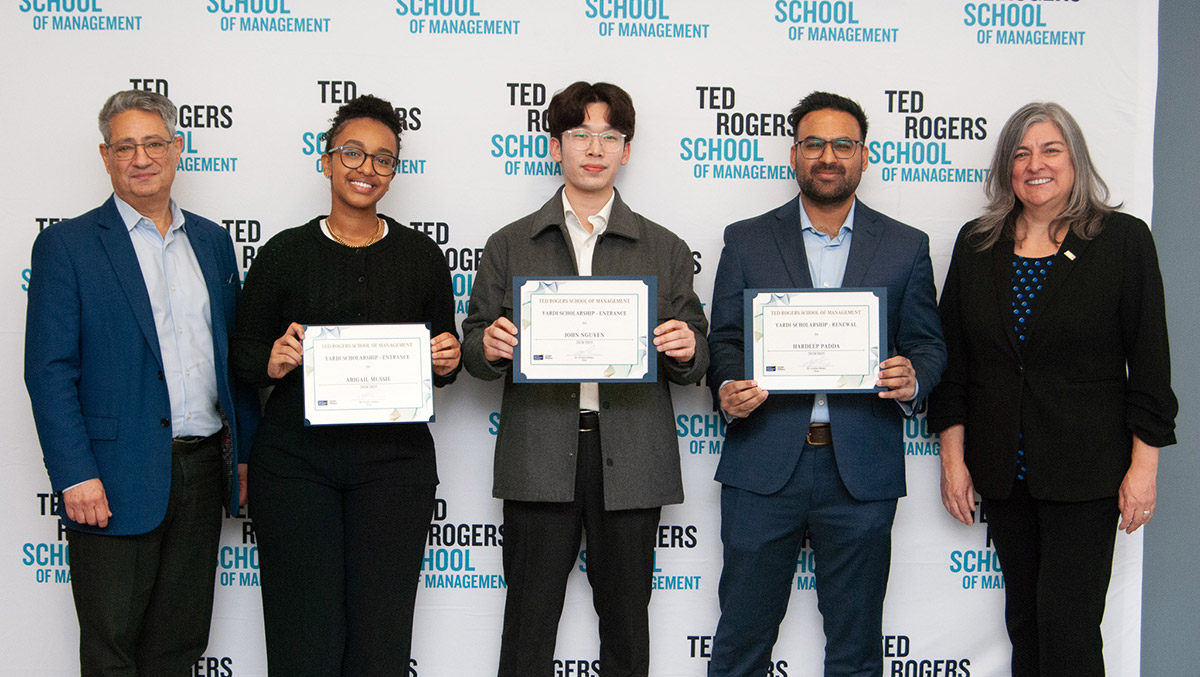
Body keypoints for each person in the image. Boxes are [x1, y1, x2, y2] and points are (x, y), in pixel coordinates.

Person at [461, 81, 709, 677]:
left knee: (626, 625)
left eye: (609, 137)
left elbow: (699, 357)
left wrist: (686, 347)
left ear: (627, 150)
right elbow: (471, 345)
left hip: (633, 454)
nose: (594, 149)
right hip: (538, 453)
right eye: (579, 135)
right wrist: (488, 346)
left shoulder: (666, 247)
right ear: (556, 146)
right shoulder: (509, 243)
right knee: (528, 624)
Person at [928, 102, 1177, 676]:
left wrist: (1144, 469)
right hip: (1003, 471)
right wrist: (953, 461)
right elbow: (955, 363)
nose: (1034, 164)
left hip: (1087, 472)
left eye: (1050, 150)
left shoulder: (1121, 240)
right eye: (1020, 153)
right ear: (1006, 168)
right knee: (1025, 625)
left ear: (1075, 160)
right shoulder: (978, 243)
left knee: (1069, 630)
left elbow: (1150, 363)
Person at [705, 91, 946, 677]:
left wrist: (914, 376)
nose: (828, 156)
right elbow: (725, 340)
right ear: (794, 155)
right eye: (814, 143)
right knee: (740, 644)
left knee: (856, 649)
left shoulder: (906, 245)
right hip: (763, 467)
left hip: (860, 471)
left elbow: (928, 344)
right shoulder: (746, 239)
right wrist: (727, 385)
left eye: (843, 144)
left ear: (864, 155)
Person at [23, 90, 257, 675]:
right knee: (112, 651)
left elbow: (231, 359)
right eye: (125, 147)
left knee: (179, 646)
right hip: (111, 477)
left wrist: (242, 456)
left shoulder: (212, 242)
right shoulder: (67, 246)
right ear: (105, 157)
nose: (141, 158)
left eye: (153, 143)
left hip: (201, 471)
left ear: (177, 149)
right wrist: (76, 474)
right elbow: (48, 371)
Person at [230, 94, 460, 675]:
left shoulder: (422, 256)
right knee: (302, 640)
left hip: (394, 471)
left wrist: (447, 358)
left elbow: (445, 356)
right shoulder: (283, 253)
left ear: (394, 171)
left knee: (381, 642)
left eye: (383, 159)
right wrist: (272, 361)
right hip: (295, 470)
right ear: (326, 159)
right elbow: (242, 354)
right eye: (353, 153)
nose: (367, 168)